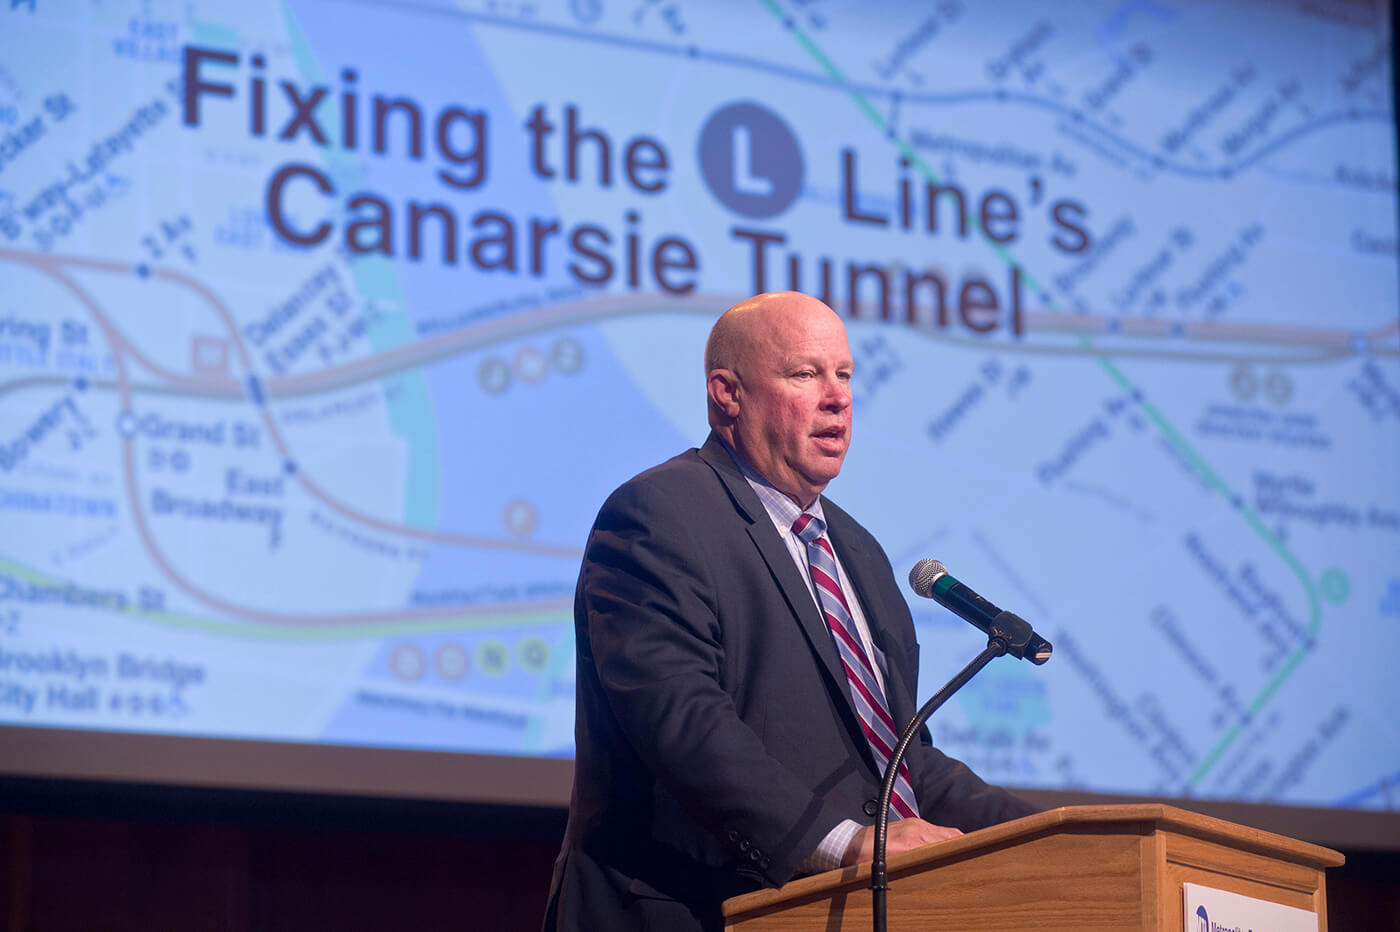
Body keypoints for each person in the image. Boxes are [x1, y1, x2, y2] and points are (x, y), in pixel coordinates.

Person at [543, 292, 1036, 931]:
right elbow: (684, 724)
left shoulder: (857, 551)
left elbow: (900, 763)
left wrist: (1061, 836)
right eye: (805, 374)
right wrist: (848, 843)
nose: (838, 397)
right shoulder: (659, 515)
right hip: (689, 912)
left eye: (846, 375)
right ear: (727, 393)